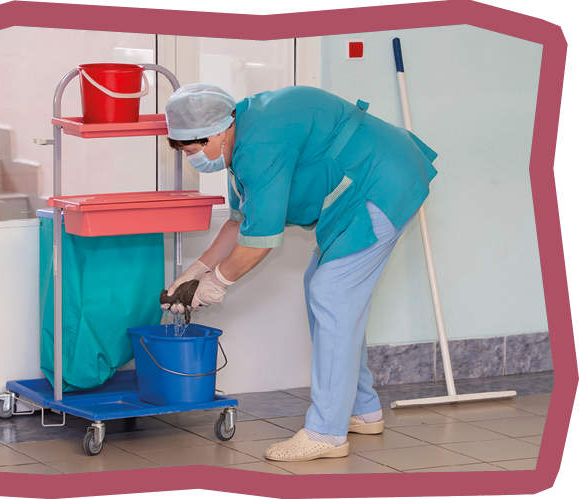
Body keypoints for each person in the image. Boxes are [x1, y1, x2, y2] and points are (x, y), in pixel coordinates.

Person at [162, 83, 438, 462]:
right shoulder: (241, 140)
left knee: (333, 294)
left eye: (195, 151)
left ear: (218, 130)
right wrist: (196, 270)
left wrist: (218, 283)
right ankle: (361, 409)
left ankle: (326, 432)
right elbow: (241, 222)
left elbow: (258, 241)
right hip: (356, 193)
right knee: (324, 289)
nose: (196, 160)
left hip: (381, 181)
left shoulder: (260, 144)